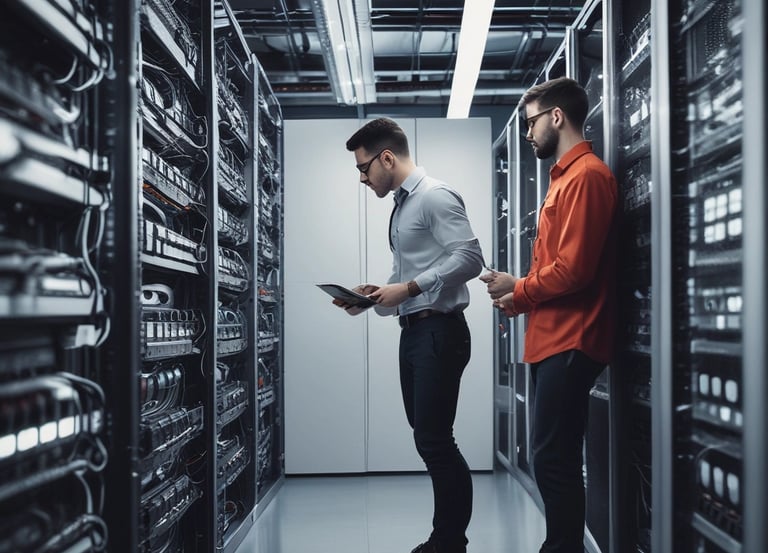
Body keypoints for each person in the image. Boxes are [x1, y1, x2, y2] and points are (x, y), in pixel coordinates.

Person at [333, 117, 484, 553]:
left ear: (386, 158)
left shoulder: (435, 196)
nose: (362, 178)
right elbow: (406, 278)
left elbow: (470, 258)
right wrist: (373, 297)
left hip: (440, 331)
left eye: (363, 168)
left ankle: (448, 542)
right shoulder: (402, 206)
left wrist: (412, 287)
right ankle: (447, 539)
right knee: (428, 437)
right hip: (416, 332)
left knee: (436, 441)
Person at [481, 77, 618, 553]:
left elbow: (574, 270)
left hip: (572, 338)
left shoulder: (587, 177)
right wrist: (517, 296)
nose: (527, 133)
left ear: (556, 117)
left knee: (553, 459)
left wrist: (519, 288)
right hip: (551, 337)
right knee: (552, 457)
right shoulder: (564, 179)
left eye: (531, 122)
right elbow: (557, 266)